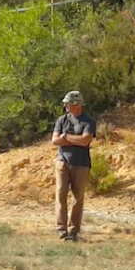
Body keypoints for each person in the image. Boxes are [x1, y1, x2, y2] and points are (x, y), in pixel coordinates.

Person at [51, 91, 96, 242]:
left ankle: (73, 231)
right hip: (62, 162)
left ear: (76, 105)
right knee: (60, 194)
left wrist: (66, 137)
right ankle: (61, 229)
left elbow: (85, 140)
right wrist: (75, 140)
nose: (65, 106)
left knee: (78, 197)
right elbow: (55, 140)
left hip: (82, 164)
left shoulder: (88, 122)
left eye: (68, 103)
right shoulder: (62, 120)